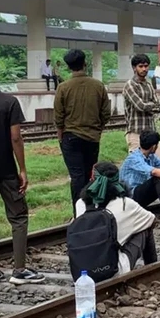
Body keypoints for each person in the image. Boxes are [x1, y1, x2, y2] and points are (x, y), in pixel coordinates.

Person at [0, 58, 45, 287]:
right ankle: (19, 269)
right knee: (19, 216)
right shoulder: (9, 102)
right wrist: (22, 168)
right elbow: (16, 137)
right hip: (6, 169)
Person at [73, 163, 158, 275]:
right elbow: (151, 220)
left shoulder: (80, 203)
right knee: (145, 227)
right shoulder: (125, 203)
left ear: (92, 179)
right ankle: (153, 267)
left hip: (82, 271)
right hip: (114, 269)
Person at [54, 49, 112, 208]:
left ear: (69, 67)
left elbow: (58, 117)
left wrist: (60, 137)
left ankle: (78, 212)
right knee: (89, 175)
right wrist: (97, 129)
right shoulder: (98, 86)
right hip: (92, 138)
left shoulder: (63, 87)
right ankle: (91, 208)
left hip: (70, 137)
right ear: (85, 64)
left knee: (76, 177)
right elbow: (106, 113)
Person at [123, 54, 160, 158]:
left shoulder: (149, 85)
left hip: (151, 132)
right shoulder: (130, 85)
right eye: (141, 66)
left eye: (146, 66)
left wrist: (149, 106)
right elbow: (140, 106)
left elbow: (158, 107)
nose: (144, 69)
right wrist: (151, 106)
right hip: (135, 132)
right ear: (134, 68)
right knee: (138, 166)